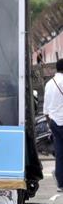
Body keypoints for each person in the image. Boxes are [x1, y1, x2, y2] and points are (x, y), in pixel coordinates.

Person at [44, 58, 63, 192]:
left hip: (54, 122)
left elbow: (46, 105)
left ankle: (61, 183)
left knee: (60, 153)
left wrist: (49, 121)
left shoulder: (49, 83)